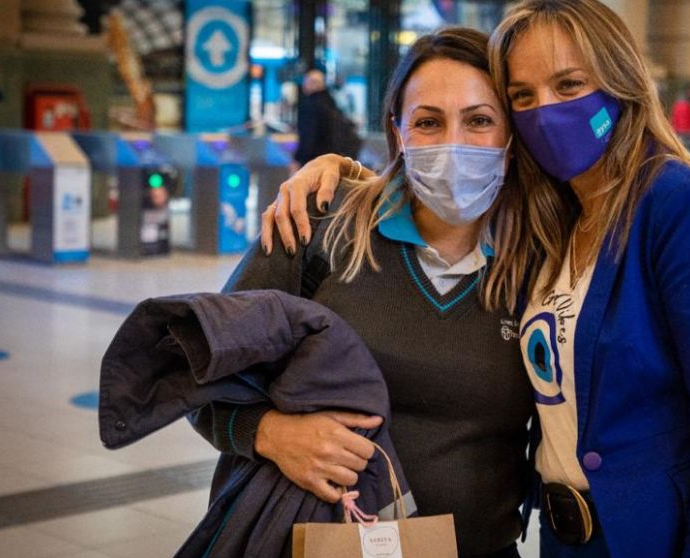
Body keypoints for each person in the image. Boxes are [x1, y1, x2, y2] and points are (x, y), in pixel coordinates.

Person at [269, 1, 690, 556]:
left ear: (620, 80)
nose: (547, 111)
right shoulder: (552, 218)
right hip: (566, 540)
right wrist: (345, 173)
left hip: (653, 535)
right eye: (524, 97)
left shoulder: (677, 205)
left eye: (569, 84)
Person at [193, 28, 537, 558]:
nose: (453, 144)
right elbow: (198, 370)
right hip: (317, 543)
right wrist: (266, 432)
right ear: (397, 134)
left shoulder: (537, 265)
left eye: (479, 120)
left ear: (511, 139)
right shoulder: (319, 226)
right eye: (428, 122)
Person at [293, 69, 359, 172]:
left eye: (305, 83)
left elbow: (309, 136)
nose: (303, 86)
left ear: (310, 84)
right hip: (333, 160)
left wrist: (298, 159)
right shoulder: (331, 103)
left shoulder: (311, 105)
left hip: (314, 162)